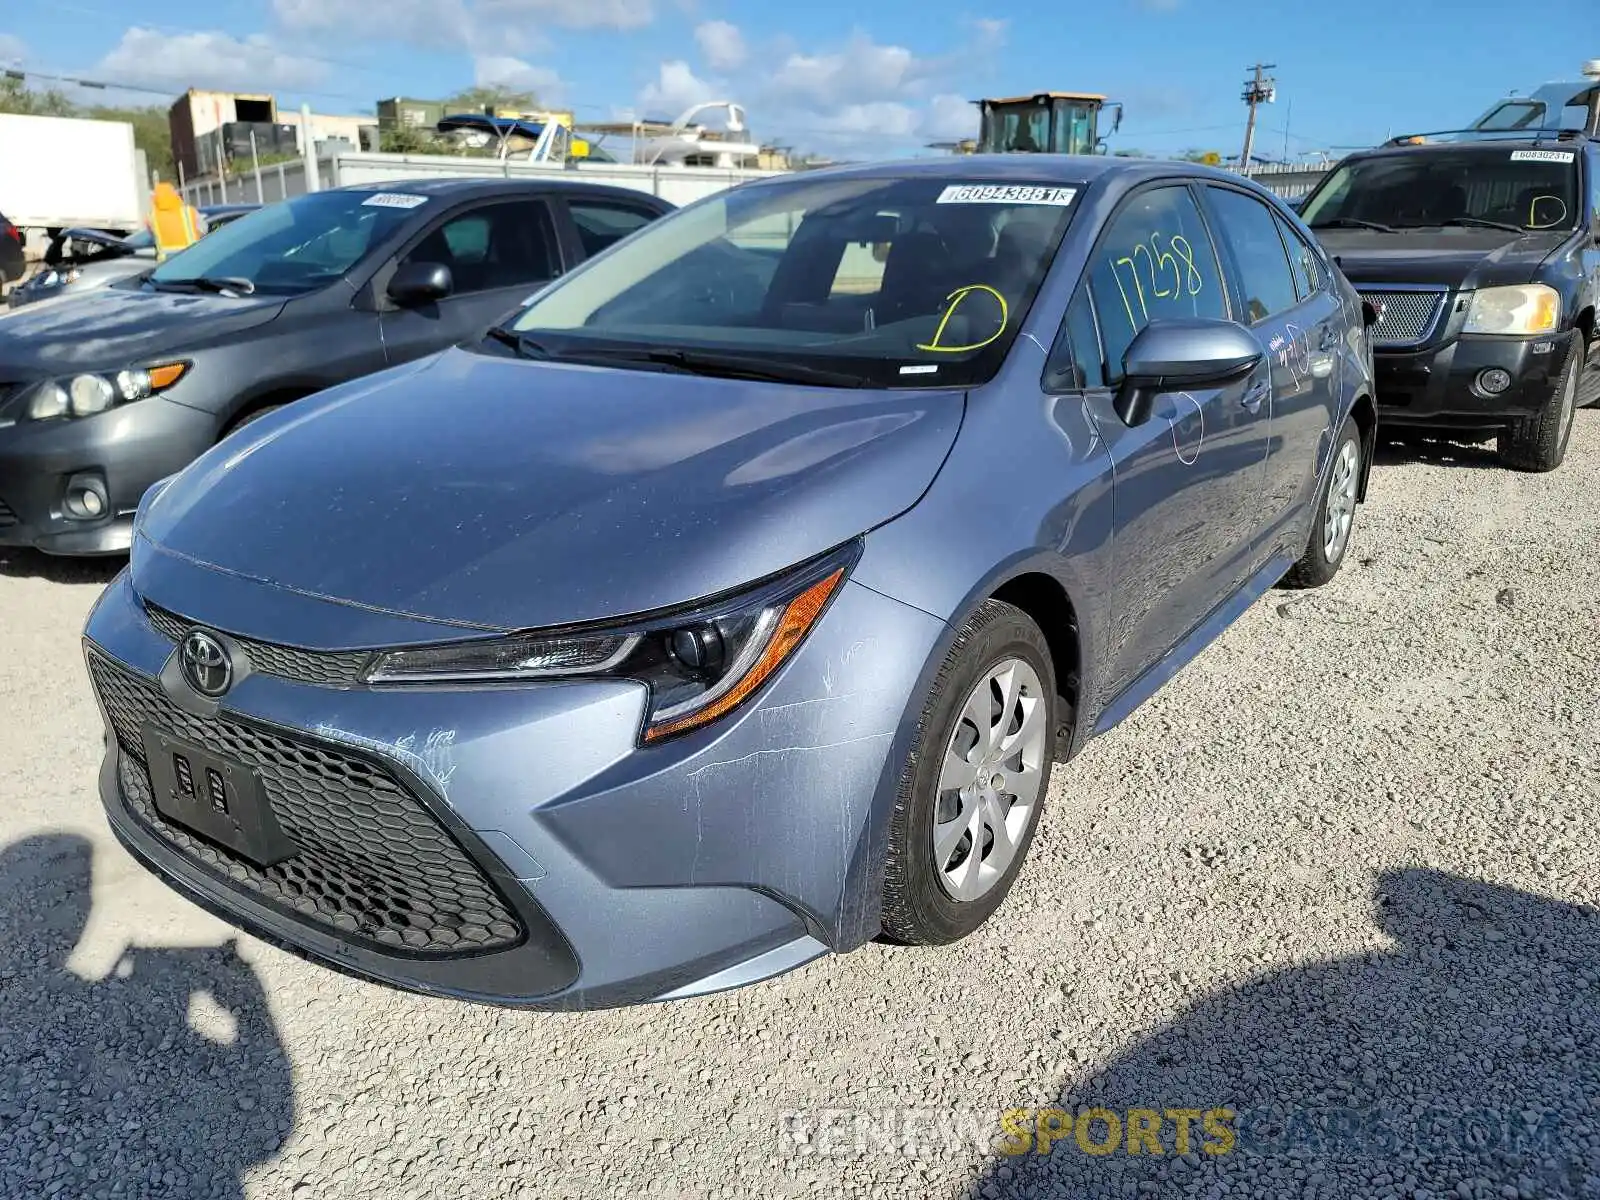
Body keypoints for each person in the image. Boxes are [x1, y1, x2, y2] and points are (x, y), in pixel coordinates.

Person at [148, 181, 202, 260]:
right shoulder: (189, 212)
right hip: (192, 260)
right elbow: (204, 230)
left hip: (166, 265)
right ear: (175, 195)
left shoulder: (152, 218)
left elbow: (153, 236)